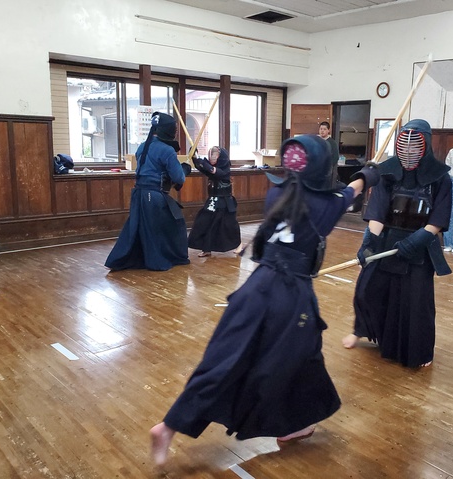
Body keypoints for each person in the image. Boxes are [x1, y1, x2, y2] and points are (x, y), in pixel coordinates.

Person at [149, 134, 380, 467]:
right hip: (291, 296)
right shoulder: (325, 207)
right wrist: (367, 174)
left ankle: (168, 427)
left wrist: (360, 179)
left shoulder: (276, 194)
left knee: (224, 359)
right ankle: (293, 422)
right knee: (298, 357)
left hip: (255, 289)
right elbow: (350, 193)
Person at [342, 119, 452, 368]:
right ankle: (364, 331)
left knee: (415, 301)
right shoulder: (387, 172)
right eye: (406, 144)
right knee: (368, 287)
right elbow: (378, 211)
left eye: (415, 145)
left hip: (420, 243)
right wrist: (369, 243)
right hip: (387, 239)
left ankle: (418, 352)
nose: (410, 150)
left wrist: (417, 240)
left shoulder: (441, 177)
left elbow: (438, 218)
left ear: (425, 145)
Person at [105, 112, 191, 271]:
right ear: (167, 130)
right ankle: (160, 260)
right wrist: (185, 169)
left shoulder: (142, 146)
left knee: (140, 227)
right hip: (154, 196)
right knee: (169, 226)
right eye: (174, 129)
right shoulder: (167, 150)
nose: (175, 132)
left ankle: (134, 259)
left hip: (139, 195)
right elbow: (178, 177)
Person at [188, 146, 242, 257]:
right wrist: (194, 156)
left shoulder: (224, 171)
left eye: (215, 156)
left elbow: (213, 171)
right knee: (205, 222)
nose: (212, 158)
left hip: (225, 202)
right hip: (213, 201)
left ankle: (238, 244)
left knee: (229, 225)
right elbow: (203, 168)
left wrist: (202, 162)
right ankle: (206, 248)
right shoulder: (211, 169)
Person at [318, 121, 340, 187]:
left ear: (328, 130)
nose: (322, 131)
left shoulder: (332, 143)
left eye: (324, 129)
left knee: (325, 186)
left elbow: (336, 157)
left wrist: (328, 166)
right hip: (316, 169)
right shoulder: (317, 141)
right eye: (321, 129)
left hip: (326, 170)